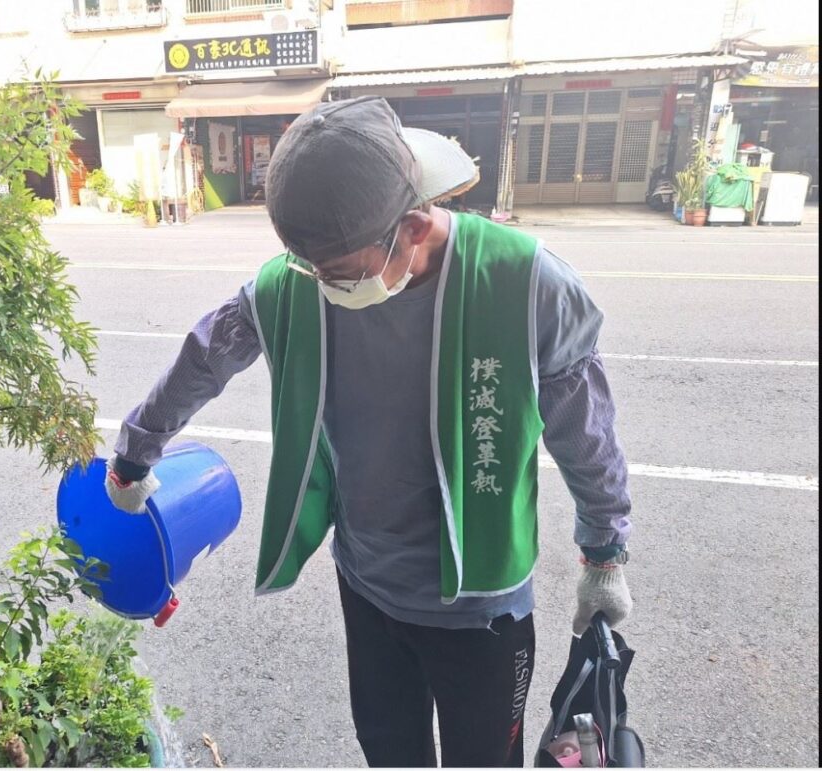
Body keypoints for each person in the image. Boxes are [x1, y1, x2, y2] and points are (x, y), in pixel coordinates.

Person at [105, 97, 633, 768]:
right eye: (311, 267)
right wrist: (134, 451)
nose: (323, 286)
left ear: (414, 225)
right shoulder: (299, 278)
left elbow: (587, 435)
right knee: (390, 753)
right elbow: (207, 354)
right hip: (369, 589)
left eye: (341, 272)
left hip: (482, 613)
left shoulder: (525, 282)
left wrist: (605, 550)